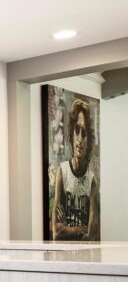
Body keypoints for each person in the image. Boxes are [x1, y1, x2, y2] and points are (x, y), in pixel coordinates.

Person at [51, 98, 100, 241]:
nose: (79, 138)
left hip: (86, 259)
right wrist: (79, 229)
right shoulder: (62, 172)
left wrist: (66, 229)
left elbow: (91, 237)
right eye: (77, 131)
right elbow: (56, 232)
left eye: (84, 133)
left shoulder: (92, 182)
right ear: (71, 135)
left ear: (89, 140)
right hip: (62, 258)